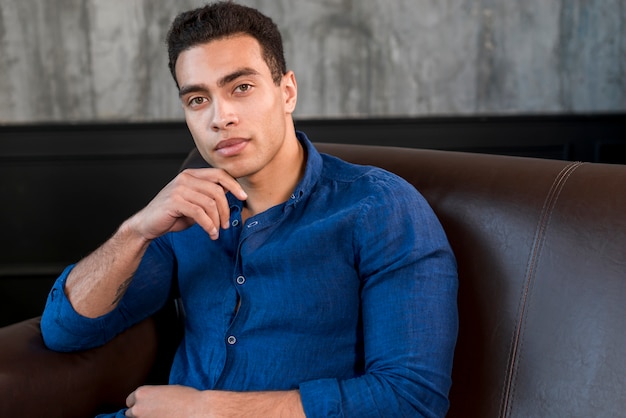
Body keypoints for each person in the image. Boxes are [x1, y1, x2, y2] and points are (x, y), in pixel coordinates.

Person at [41, 2, 458, 417]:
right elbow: (65, 332)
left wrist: (205, 410)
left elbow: (411, 400)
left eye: (241, 87)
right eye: (198, 99)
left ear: (287, 91)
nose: (220, 117)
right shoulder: (185, 211)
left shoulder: (379, 208)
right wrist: (136, 232)